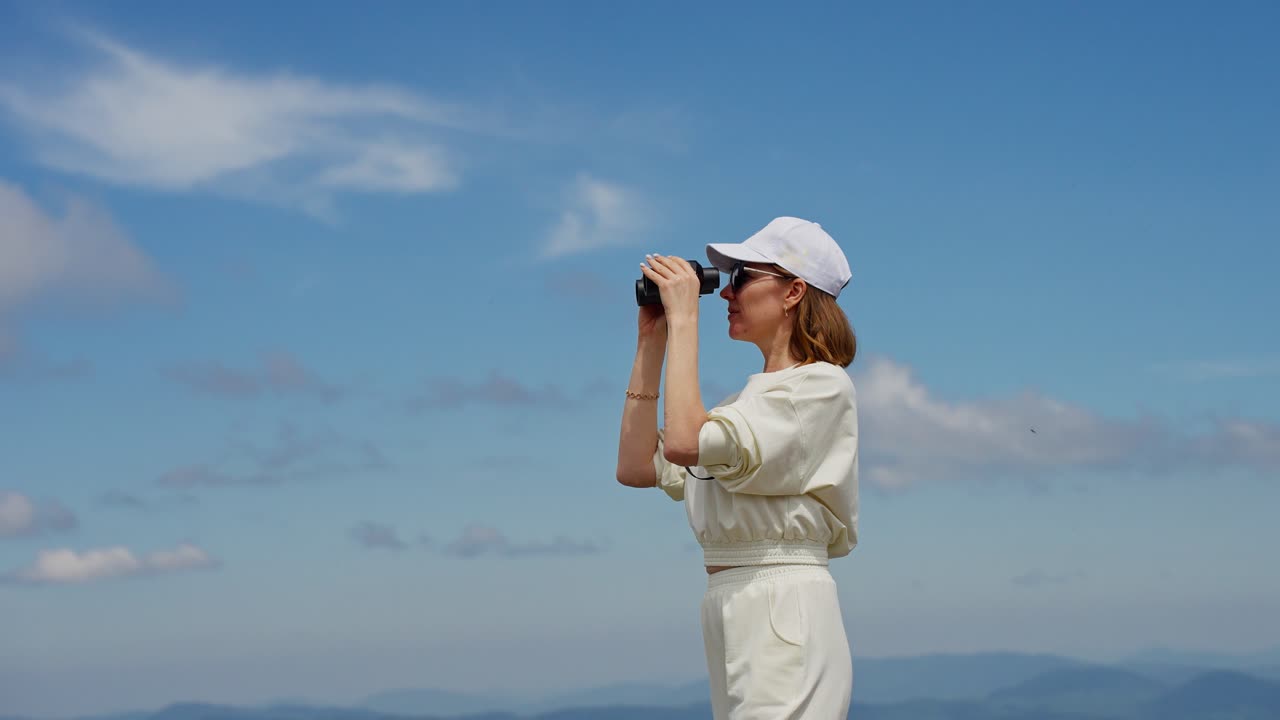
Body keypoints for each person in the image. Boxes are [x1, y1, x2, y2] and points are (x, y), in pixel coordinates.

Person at [615, 216, 859, 719]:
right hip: (732, 603)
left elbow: (683, 443)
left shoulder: (818, 388)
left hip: (780, 603)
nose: (726, 292)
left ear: (793, 292)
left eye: (742, 277)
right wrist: (652, 341)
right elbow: (637, 466)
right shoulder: (744, 406)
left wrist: (685, 320)